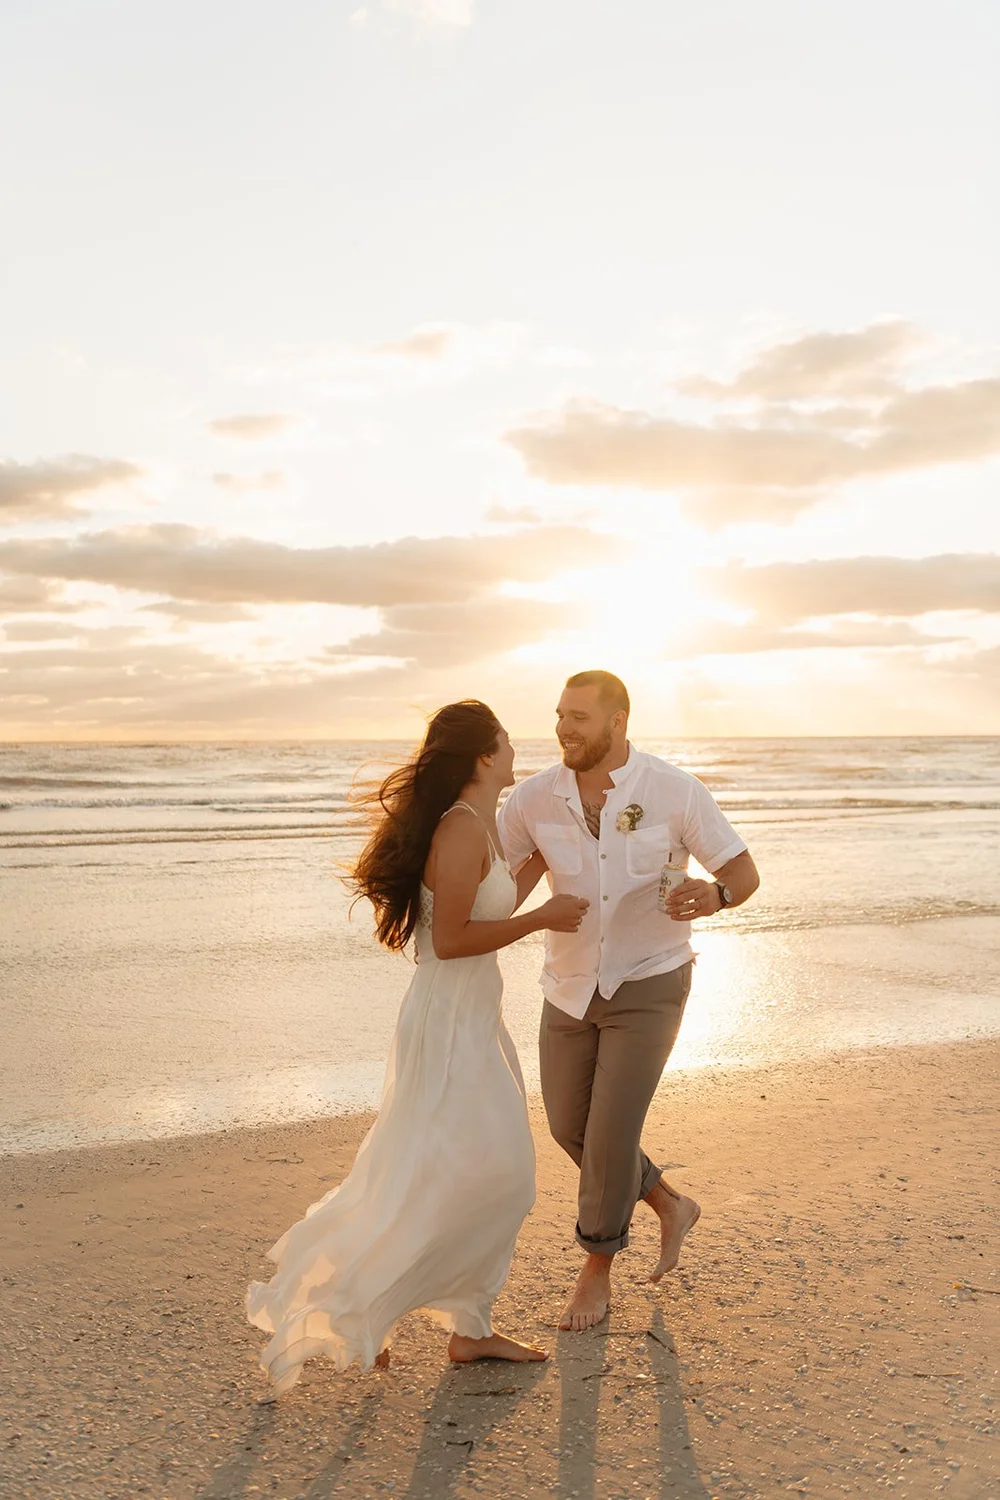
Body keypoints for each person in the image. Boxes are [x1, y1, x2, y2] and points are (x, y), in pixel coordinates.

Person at [246, 700, 589, 1392]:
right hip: (448, 1018)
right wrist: (543, 919)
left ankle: (461, 1326)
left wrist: (543, 864)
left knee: (447, 1170)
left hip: (473, 1015)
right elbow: (453, 940)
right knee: (483, 1174)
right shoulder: (459, 829)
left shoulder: (480, 827)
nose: (515, 749)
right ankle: (370, 1310)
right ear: (484, 757)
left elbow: (489, 901)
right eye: (505, 741)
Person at [498, 671, 759, 1332]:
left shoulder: (674, 790)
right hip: (568, 986)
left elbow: (742, 871)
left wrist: (715, 895)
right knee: (569, 1126)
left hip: (651, 980)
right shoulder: (532, 798)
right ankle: (670, 1203)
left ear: (617, 722)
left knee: (612, 1133)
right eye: (560, 714)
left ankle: (597, 1267)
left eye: (579, 717)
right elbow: (497, 879)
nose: (564, 728)